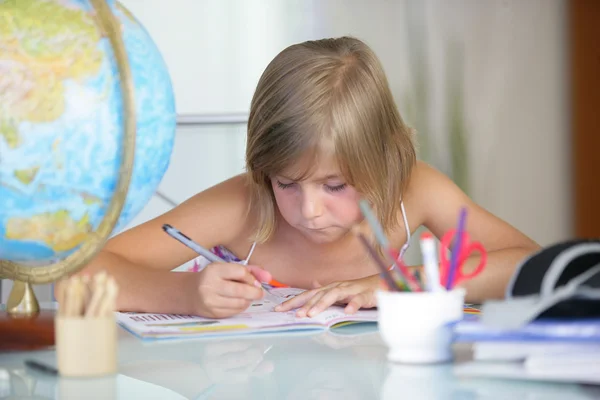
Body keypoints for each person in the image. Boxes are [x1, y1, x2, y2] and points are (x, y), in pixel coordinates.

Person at [70, 36, 540, 319]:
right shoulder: (244, 206)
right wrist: (187, 294)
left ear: (382, 160)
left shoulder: (412, 190)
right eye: (286, 183)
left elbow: (532, 266)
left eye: (334, 186)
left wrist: (401, 284)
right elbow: (81, 272)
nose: (308, 210)